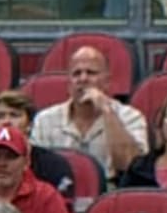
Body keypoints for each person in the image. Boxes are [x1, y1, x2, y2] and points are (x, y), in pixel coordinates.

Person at [29, 45, 148, 179]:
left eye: (91, 73)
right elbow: (36, 170)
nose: (83, 79)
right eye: (76, 74)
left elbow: (130, 165)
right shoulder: (45, 120)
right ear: (69, 84)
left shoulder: (130, 116)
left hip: (111, 190)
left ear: (107, 81)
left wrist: (106, 110)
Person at [0, 91, 86, 204]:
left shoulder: (54, 166)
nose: (6, 122)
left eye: (14, 115)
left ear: (30, 124)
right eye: (0, 116)